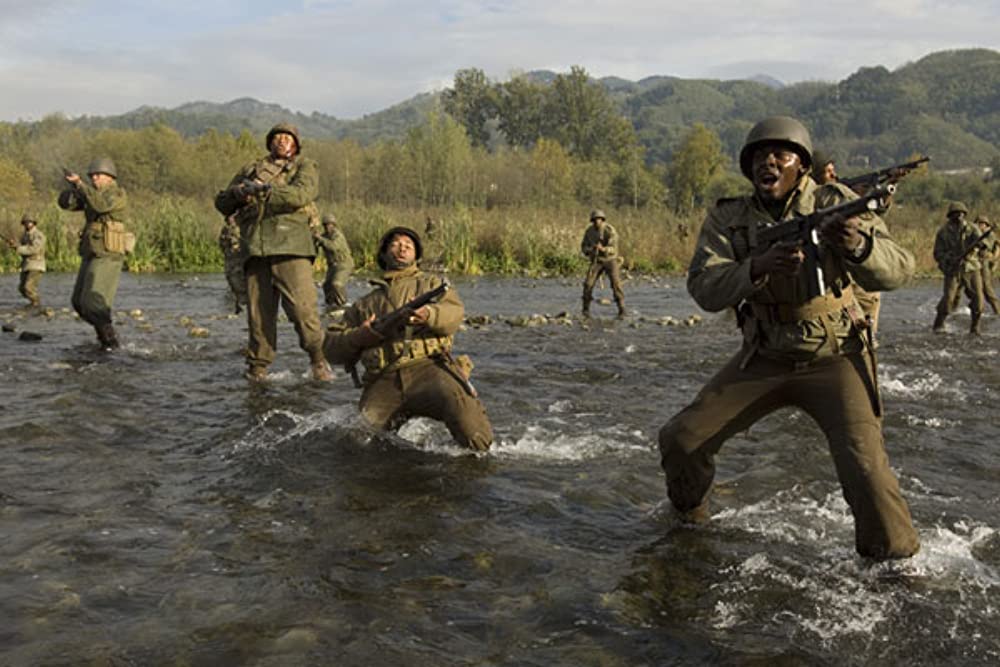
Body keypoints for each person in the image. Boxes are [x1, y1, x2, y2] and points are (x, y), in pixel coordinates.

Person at [657, 116, 920, 560]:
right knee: (681, 440)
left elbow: (900, 270)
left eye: (781, 155)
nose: (769, 163)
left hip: (836, 354)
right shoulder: (730, 218)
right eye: (760, 156)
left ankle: (894, 564)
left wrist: (857, 245)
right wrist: (757, 268)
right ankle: (690, 517)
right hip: (765, 354)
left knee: (866, 469)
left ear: (802, 165)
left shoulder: (838, 202)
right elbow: (704, 287)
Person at [323, 226, 493, 450]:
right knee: (358, 444)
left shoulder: (431, 285)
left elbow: (454, 314)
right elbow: (331, 349)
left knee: (475, 438)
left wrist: (428, 315)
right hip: (384, 379)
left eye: (409, 245)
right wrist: (360, 336)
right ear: (383, 254)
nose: (402, 248)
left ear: (417, 254)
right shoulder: (363, 305)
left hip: (430, 368)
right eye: (395, 244)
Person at [214, 122, 333, 381]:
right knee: (259, 317)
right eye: (277, 137)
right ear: (269, 142)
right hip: (255, 248)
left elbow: (302, 194)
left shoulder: (305, 166)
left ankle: (318, 360)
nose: (281, 141)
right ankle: (258, 368)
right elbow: (222, 203)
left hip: (292, 245)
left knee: (303, 311)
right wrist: (239, 193)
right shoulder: (250, 168)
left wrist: (265, 191)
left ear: (296, 144)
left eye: (287, 138)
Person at [58, 157, 131, 350]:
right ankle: (104, 339)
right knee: (79, 303)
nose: (95, 178)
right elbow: (69, 205)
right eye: (92, 176)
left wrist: (81, 185)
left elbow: (101, 206)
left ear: (110, 177)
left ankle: (110, 342)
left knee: (94, 303)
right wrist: (71, 190)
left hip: (108, 252)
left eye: (98, 175)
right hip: (91, 250)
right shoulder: (92, 194)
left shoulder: (116, 193)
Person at [811, 150, 883, 333]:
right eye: (828, 172)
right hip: (840, 282)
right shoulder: (819, 200)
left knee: (865, 333)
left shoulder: (841, 195)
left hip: (856, 275)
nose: (834, 175)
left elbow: (870, 223)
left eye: (833, 170)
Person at [932, 201, 984, 334]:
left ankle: (975, 327)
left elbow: (984, 242)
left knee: (978, 299)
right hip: (953, 269)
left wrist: (981, 245)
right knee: (949, 299)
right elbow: (938, 253)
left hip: (971, 267)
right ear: (950, 216)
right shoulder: (943, 232)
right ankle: (939, 323)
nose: (959, 216)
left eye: (962, 214)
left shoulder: (972, 228)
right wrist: (949, 260)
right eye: (956, 214)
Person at [580, 209, 626, 319]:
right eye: (595, 220)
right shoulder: (589, 231)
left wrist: (603, 249)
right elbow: (583, 247)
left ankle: (621, 308)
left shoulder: (609, 230)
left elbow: (613, 248)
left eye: (599, 219)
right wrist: (590, 249)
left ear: (603, 220)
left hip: (610, 260)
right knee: (588, 284)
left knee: (616, 283)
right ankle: (585, 310)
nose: (597, 221)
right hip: (596, 260)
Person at [314, 214, 354, 312]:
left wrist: (320, 239)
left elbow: (333, 247)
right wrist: (314, 239)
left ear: (334, 225)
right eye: (325, 225)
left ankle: (344, 305)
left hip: (344, 264)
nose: (327, 227)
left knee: (337, 284)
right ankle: (331, 304)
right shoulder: (324, 236)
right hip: (332, 266)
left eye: (329, 225)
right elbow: (316, 246)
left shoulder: (338, 235)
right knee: (327, 285)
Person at [8, 214, 46, 307]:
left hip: (36, 265)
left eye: (29, 222)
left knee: (28, 287)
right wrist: (15, 245)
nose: (27, 224)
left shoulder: (38, 235)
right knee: (22, 289)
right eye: (25, 223)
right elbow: (22, 248)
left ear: (34, 223)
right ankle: (33, 304)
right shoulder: (24, 235)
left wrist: (19, 248)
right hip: (26, 265)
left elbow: (34, 249)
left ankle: (37, 304)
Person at [218, 214, 248, 314]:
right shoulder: (226, 229)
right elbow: (222, 245)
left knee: (241, 286)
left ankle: (242, 308)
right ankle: (239, 308)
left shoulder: (241, 227)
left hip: (239, 262)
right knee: (234, 285)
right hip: (231, 261)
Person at [974, 215, 1000, 315]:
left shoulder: (990, 235)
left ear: (985, 225)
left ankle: (997, 311)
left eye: (981, 224)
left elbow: (984, 245)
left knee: (986, 288)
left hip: (984, 263)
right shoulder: (976, 234)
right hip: (974, 263)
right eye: (977, 223)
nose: (979, 226)